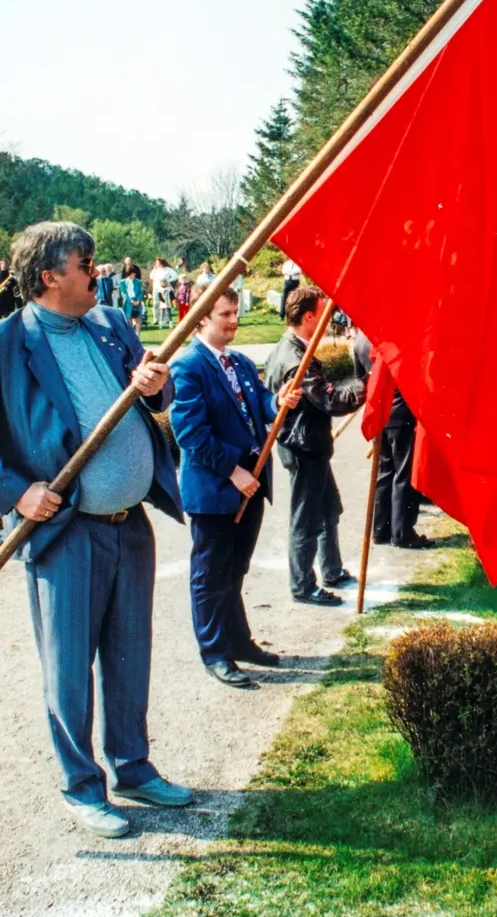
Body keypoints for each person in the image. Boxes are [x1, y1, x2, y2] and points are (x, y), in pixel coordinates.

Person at [0, 221, 191, 839]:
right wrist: (16, 492)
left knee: (130, 656)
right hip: (66, 534)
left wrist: (156, 394)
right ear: (49, 276)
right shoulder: (7, 345)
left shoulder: (110, 325)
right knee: (69, 666)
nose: (97, 271)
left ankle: (133, 767)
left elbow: (146, 405)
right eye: (86, 262)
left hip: (129, 524)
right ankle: (82, 787)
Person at [170, 288, 301, 687]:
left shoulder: (240, 361)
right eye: (225, 314)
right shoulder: (188, 367)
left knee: (235, 569)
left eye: (235, 312)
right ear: (201, 319)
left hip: (251, 483)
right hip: (216, 490)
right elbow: (190, 433)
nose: (233, 320)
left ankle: (238, 640)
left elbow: (260, 403)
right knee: (210, 574)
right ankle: (214, 651)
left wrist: (278, 400)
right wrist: (233, 470)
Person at [264, 285, 365, 606]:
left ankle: (331, 569)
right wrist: (369, 383)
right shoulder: (296, 358)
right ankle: (303, 585)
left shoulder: (291, 347)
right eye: (323, 315)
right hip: (303, 446)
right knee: (306, 518)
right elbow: (330, 399)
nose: (328, 320)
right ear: (309, 317)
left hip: (310, 444)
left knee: (328, 509)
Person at [353, 331, 434, 549]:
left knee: (385, 472)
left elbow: (360, 378)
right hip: (401, 414)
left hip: (380, 412)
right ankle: (402, 533)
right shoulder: (396, 337)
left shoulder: (361, 337)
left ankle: (381, 530)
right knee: (403, 474)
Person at [120, 266, 144, 335]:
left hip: (137, 301)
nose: (135, 275)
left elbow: (141, 292)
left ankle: (137, 336)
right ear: (129, 274)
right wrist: (131, 301)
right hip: (128, 302)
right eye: (133, 273)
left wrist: (138, 300)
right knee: (129, 320)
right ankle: (131, 336)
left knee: (138, 319)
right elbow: (123, 293)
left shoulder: (138, 282)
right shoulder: (123, 282)